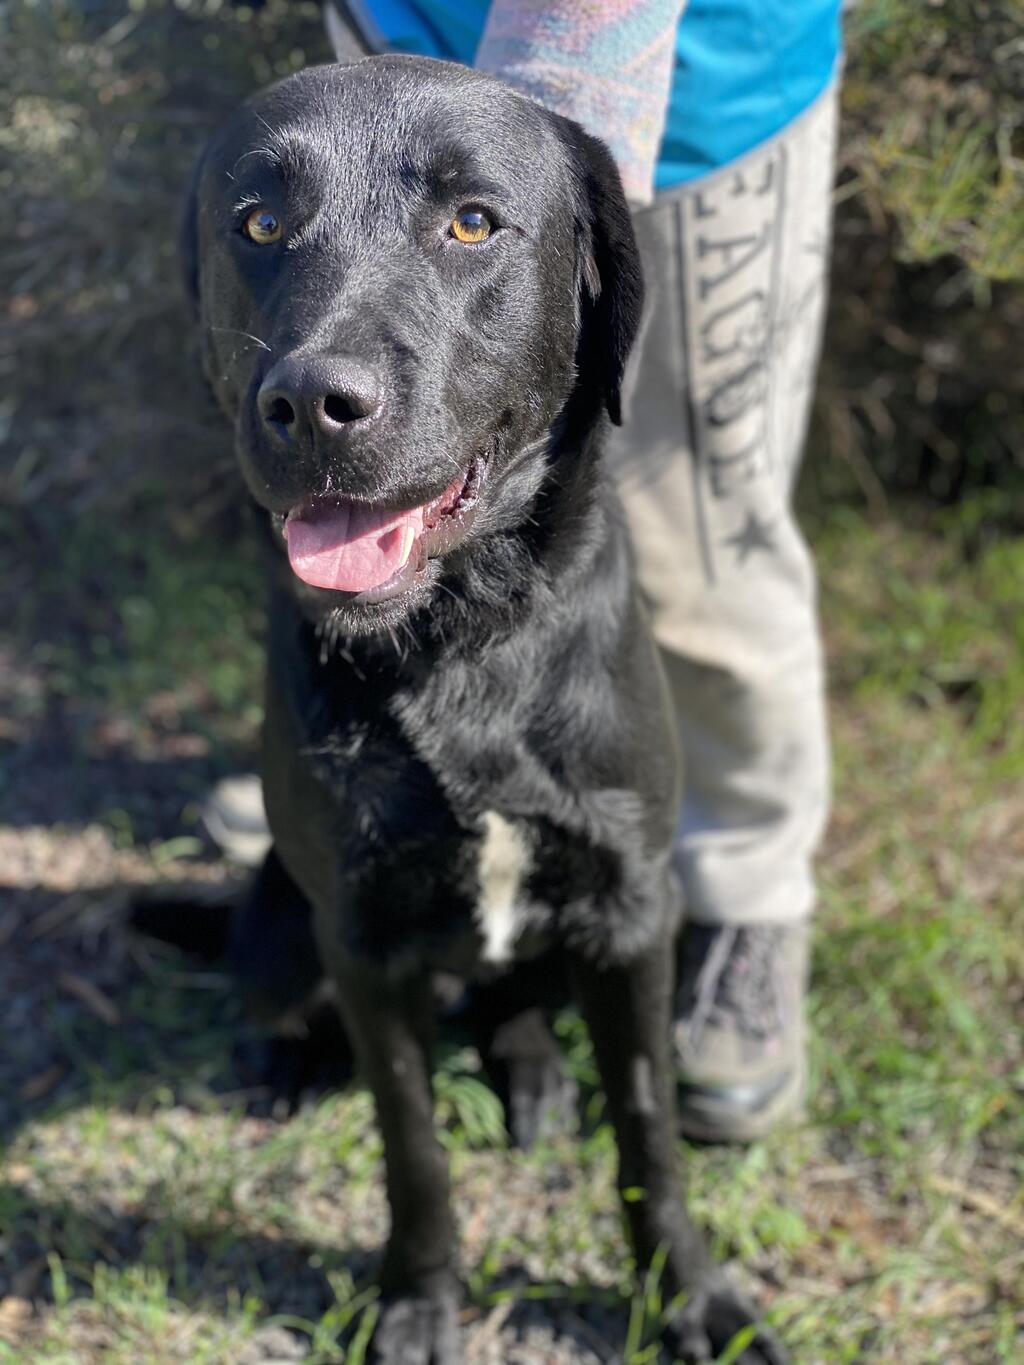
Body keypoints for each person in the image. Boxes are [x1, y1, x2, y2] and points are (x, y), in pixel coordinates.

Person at [207, 0, 842, 1142]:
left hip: (698, 86)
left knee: (706, 537)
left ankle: (743, 896)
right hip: (406, 28)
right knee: (361, 434)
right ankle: (339, 828)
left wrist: (539, 145)